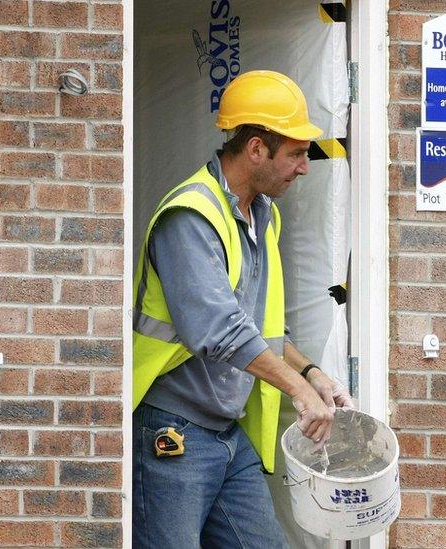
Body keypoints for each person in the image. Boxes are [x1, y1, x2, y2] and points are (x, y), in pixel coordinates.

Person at [131, 70, 353, 548]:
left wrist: (314, 374)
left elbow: (262, 325)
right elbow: (219, 330)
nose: (304, 166)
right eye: (296, 153)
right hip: (172, 432)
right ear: (257, 149)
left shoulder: (261, 216)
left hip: (226, 437)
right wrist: (298, 391)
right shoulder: (190, 218)